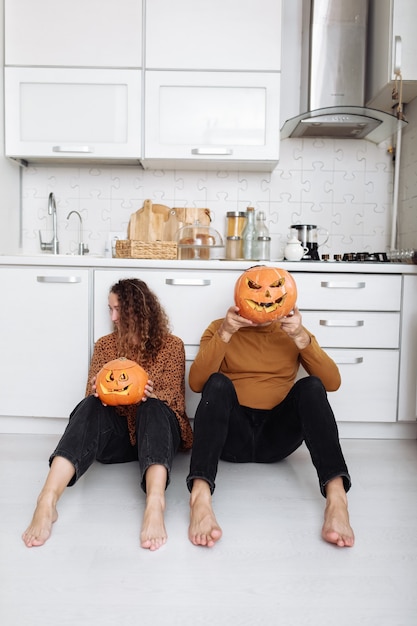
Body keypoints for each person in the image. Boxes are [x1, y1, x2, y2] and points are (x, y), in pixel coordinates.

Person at [22, 278, 193, 551]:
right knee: (89, 405)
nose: (112, 318)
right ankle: (47, 500)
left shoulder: (172, 345)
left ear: (138, 311)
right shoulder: (104, 346)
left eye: (118, 310)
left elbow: (176, 398)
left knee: (153, 406)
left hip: (157, 435)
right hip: (119, 438)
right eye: (110, 310)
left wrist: (151, 393)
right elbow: (91, 398)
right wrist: (96, 391)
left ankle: (155, 503)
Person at [186, 279, 354, 549]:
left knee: (311, 386)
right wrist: (226, 333)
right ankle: (200, 497)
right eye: (254, 287)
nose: (265, 294)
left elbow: (331, 383)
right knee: (216, 383)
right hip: (233, 435)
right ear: (240, 295)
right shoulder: (219, 327)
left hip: (276, 437)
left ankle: (337, 499)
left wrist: (301, 337)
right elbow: (196, 383)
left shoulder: (293, 331)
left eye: (274, 287)